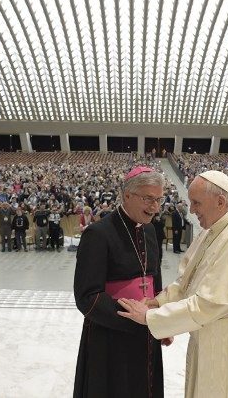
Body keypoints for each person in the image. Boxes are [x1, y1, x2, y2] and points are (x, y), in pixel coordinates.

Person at [117, 170, 228, 398]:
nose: (192, 210)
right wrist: (158, 301)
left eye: (196, 203)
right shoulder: (214, 228)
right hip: (213, 342)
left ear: (220, 202)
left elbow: (207, 305)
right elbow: (187, 280)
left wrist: (150, 317)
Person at [73, 166, 166, 398]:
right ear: (127, 195)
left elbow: (154, 280)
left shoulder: (151, 230)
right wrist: (134, 318)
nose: (154, 207)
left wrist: (161, 318)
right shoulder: (98, 234)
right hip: (110, 337)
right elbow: (87, 297)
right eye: (148, 199)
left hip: (147, 329)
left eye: (158, 199)